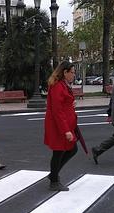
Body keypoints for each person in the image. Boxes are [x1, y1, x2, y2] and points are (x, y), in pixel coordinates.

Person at [44, 61, 78, 191]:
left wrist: (71, 104)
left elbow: (63, 104)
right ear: (65, 72)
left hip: (63, 124)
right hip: (59, 125)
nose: (74, 75)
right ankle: (54, 180)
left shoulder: (63, 84)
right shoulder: (58, 86)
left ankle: (53, 174)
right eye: (72, 72)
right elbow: (57, 110)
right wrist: (66, 130)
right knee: (59, 151)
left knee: (70, 149)